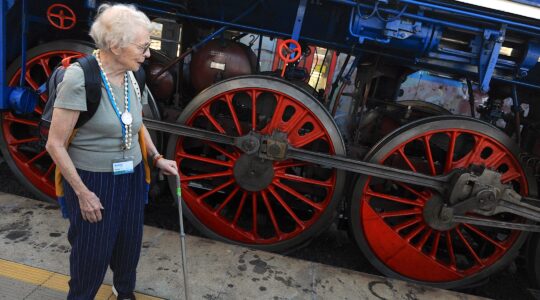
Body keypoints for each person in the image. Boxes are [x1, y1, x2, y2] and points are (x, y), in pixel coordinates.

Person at [46, 3, 178, 299]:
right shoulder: (80, 78)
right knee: (92, 253)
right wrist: (83, 193)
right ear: (116, 45)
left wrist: (156, 158)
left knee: (129, 244)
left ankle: (125, 293)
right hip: (94, 181)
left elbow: (137, 123)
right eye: (143, 47)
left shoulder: (134, 74)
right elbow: (54, 144)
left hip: (131, 177)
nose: (148, 54)